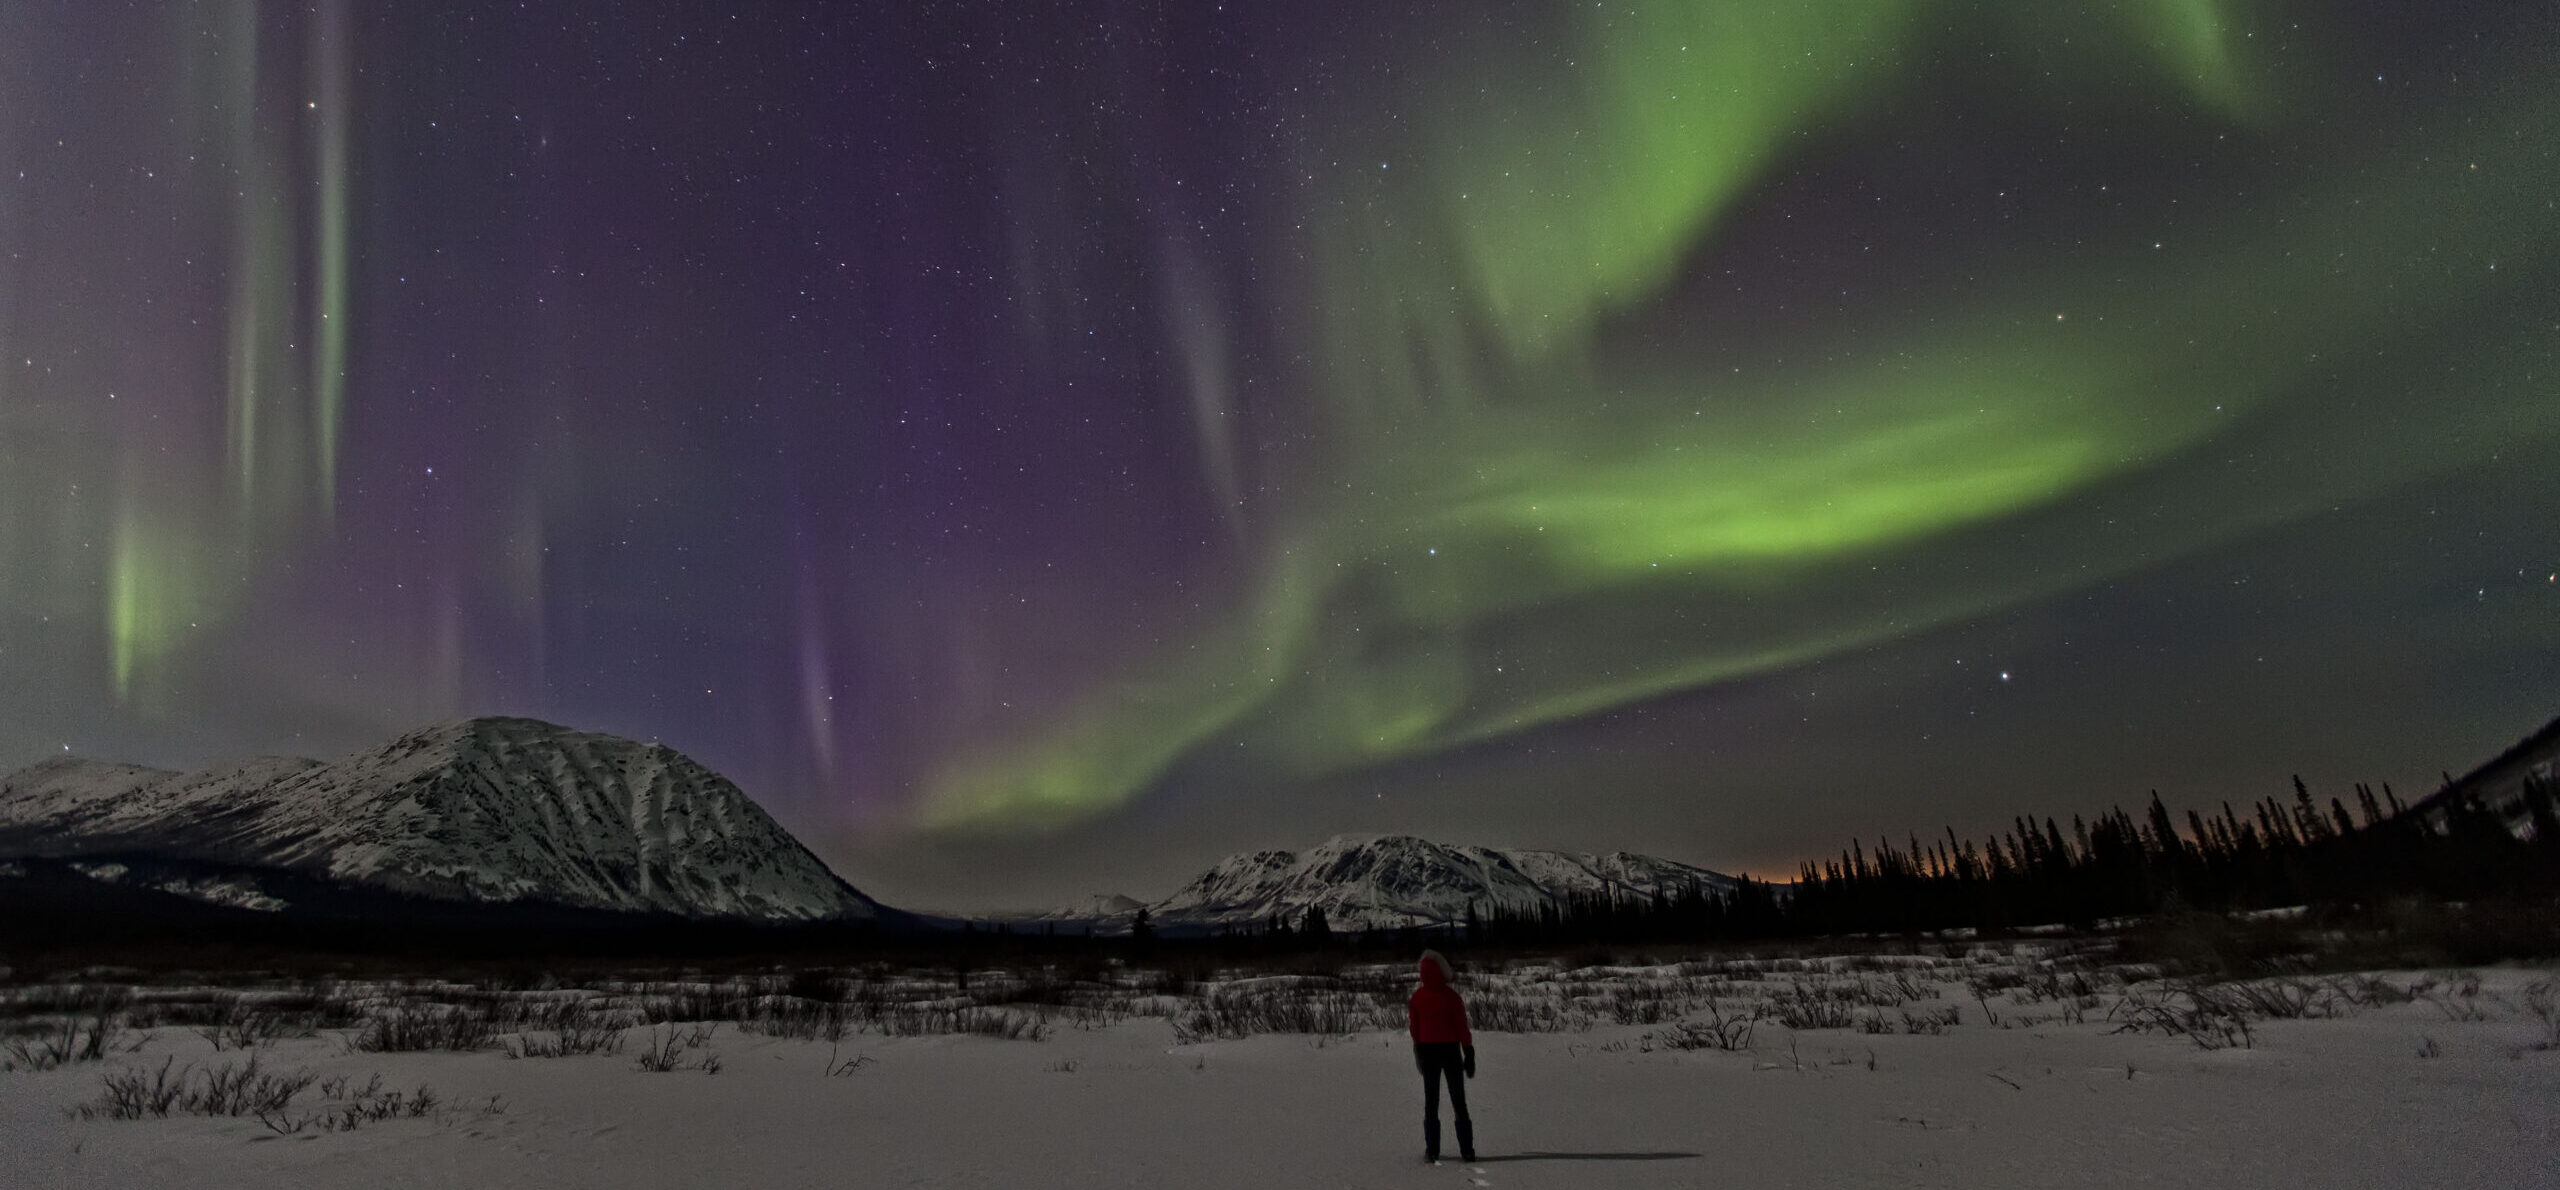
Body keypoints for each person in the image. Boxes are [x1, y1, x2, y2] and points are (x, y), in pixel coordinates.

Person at [1407, 949, 1476, 1163]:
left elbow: (1414, 1029)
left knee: (1431, 1102)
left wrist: (1418, 1050)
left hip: (1428, 1052)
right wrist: (1469, 1052)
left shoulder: (1417, 998)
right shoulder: (1451, 997)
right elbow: (1462, 1027)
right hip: (1451, 1051)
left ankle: (1432, 1150)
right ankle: (1467, 1150)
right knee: (1459, 1101)